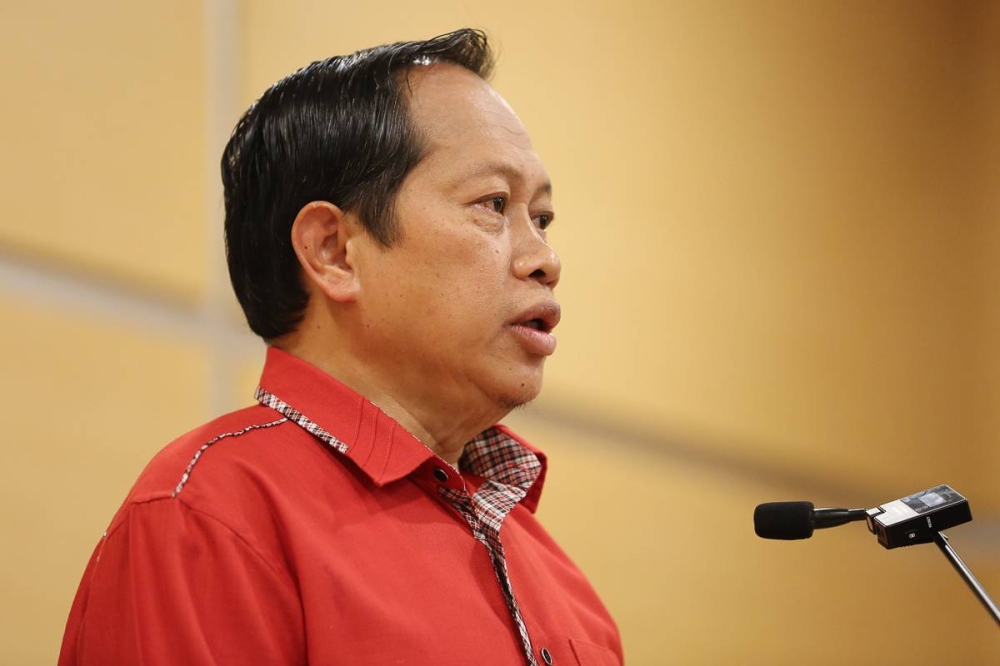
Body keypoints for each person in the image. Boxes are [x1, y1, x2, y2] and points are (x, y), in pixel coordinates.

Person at [59, 29, 622, 666]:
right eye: (493, 205)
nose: (544, 260)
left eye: (541, 218)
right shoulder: (209, 515)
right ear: (333, 251)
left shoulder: (570, 591)